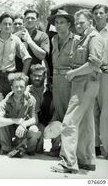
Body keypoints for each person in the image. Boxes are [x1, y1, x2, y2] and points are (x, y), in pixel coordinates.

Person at [51, 9, 104, 173]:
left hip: (85, 85)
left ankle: (68, 162)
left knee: (69, 122)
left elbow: (94, 64)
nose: (79, 25)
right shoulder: (85, 38)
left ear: (90, 22)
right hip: (85, 84)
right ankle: (87, 160)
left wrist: (73, 73)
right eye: (78, 23)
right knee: (86, 124)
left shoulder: (94, 38)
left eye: (82, 22)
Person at [47, 10, 79, 157]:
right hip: (56, 81)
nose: (58, 26)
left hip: (70, 81)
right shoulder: (53, 40)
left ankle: (70, 152)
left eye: (62, 23)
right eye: (56, 23)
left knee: (70, 116)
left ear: (69, 24)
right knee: (58, 114)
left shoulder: (77, 40)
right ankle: (56, 147)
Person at [0, 12, 32, 97]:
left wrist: (22, 77)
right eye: (5, 24)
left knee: (13, 103)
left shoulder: (16, 39)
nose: (7, 26)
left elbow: (27, 58)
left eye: (10, 24)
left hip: (11, 77)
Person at [0, 73, 41, 157]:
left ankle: (28, 149)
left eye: (22, 87)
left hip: (23, 128)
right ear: (12, 88)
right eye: (16, 87)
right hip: (11, 128)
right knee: (1, 123)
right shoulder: (6, 101)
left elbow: (34, 119)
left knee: (34, 129)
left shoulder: (31, 99)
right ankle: (6, 148)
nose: (19, 89)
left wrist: (23, 124)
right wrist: (15, 120)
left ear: (25, 87)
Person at [92, 4, 108, 158]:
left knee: (105, 113)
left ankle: (106, 147)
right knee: (92, 110)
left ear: (106, 15)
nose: (98, 15)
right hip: (90, 75)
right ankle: (95, 145)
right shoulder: (90, 32)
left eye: (101, 13)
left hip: (105, 76)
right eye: (95, 13)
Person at [27, 64, 52, 153]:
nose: (37, 78)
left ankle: (55, 150)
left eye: (39, 76)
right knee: (36, 150)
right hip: (32, 123)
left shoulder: (50, 91)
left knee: (58, 126)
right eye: (34, 75)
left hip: (48, 121)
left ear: (44, 76)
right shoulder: (26, 91)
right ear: (30, 76)